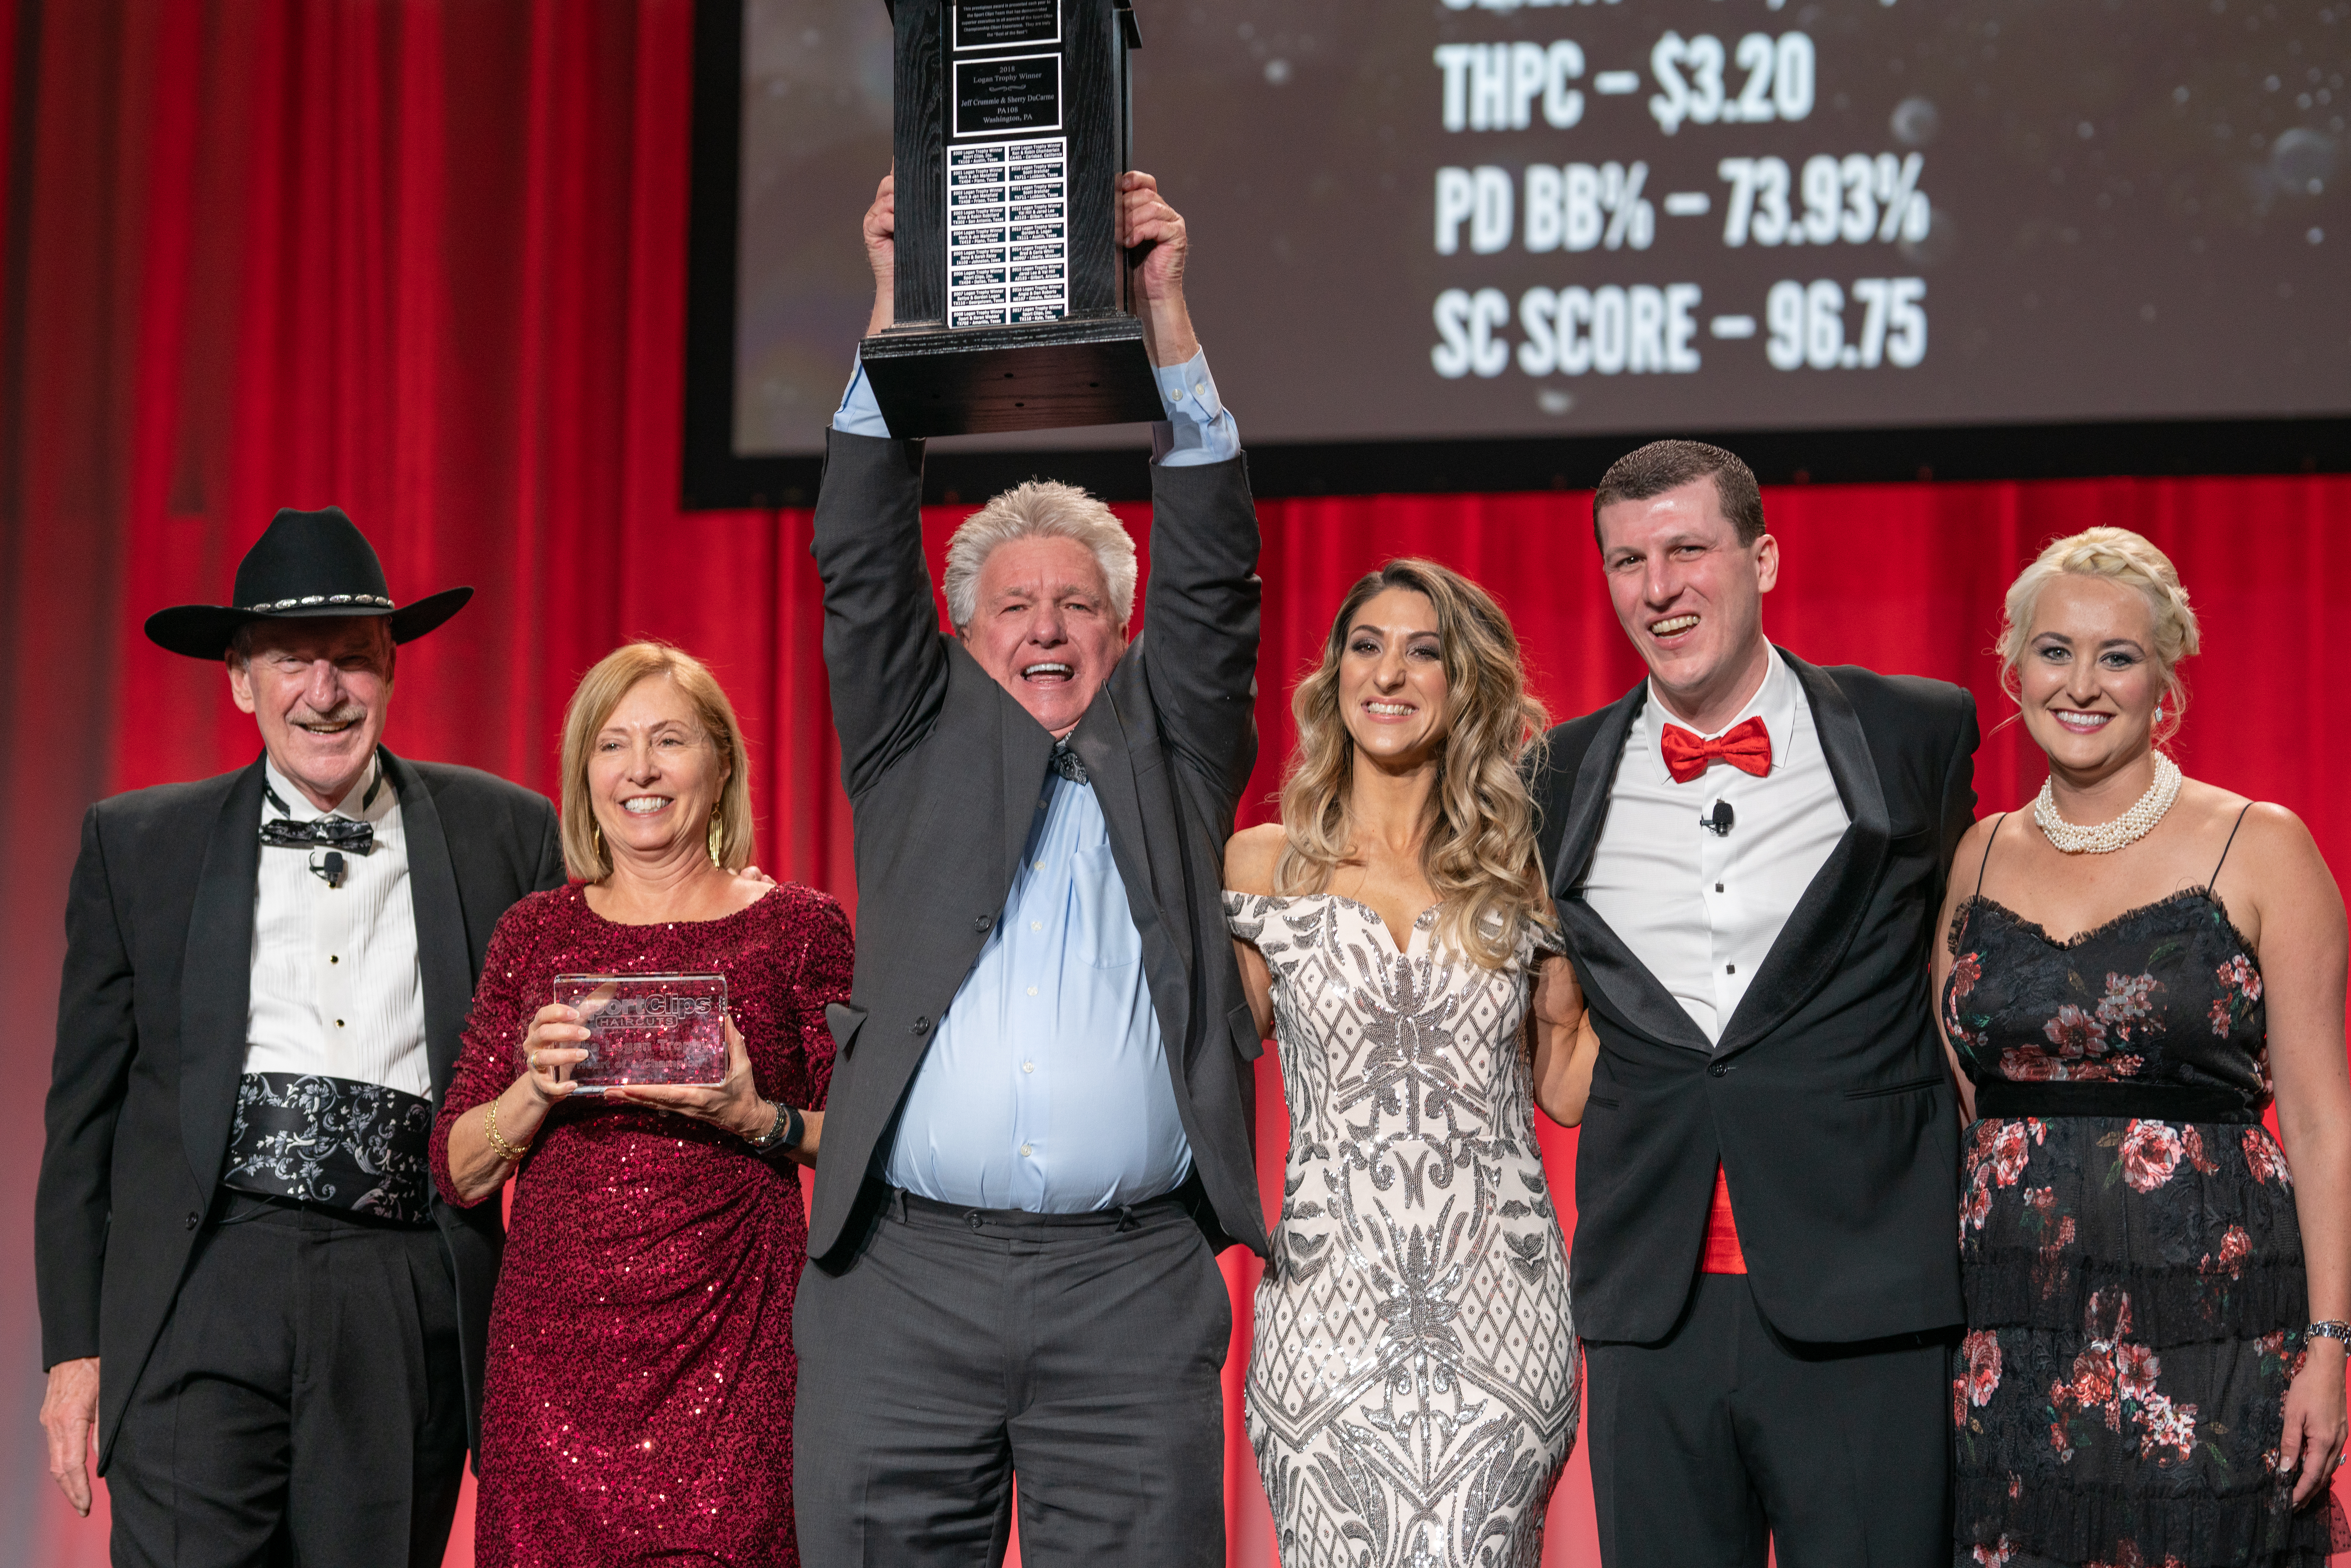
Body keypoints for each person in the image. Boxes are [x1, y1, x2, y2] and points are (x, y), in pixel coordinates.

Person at [792, 169, 1267, 1567]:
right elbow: (860, 561)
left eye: (1079, 604)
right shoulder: (909, 738)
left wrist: (1164, 310)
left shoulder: (1176, 744)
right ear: (966, 631)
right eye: (1015, 605)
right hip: (904, 1277)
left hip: (1129, 1284)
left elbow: (1216, 573)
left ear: (1122, 631)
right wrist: (894, 309)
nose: (1047, 628)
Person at [34, 508, 565, 1567]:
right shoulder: (138, 844)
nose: (324, 693)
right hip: (202, 1277)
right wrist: (74, 1351)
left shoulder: (506, 832)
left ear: (392, 671)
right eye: (293, 661)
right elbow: (80, 1123)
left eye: (352, 661)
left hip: (401, 1287)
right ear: (241, 679)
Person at [1530, 440, 1979, 1568]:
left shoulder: (1915, 734)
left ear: (1764, 557)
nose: (1660, 587)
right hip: (1652, 1307)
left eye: (1689, 549)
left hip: (1868, 1294)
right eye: (1629, 560)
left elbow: (1970, 979)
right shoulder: (1554, 774)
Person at [1937, 528, 2350, 1568]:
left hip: (2210, 1330)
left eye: (2118, 656)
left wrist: (2333, 1347)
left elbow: (2318, 1117)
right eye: (2055, 651)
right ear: (2012, 669)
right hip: (2012, 1326)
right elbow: (1958, 1099)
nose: (2083, 683)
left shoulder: (2260, 843)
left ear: (2164, 681)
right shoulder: (1975, 855)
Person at [430, 641, 849, 1567]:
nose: (642, 771)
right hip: (551, 1376)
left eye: (670, 740)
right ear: (586, 772)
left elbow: (872, 1146)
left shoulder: (797, 927)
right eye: (613, 745)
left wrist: (757, 1117)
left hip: (732, 1364)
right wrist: (530, 1092)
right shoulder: (534, 931)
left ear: (722, 761)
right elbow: (456, 1170)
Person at [1224, 559, 1590, 1567]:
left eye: (1425, 650)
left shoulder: (1524, 870)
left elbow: (1563, 1083)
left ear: (1464, 682)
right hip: (1322, 1321)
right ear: (1335, 675)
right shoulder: (1263, 864)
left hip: (1499, 1330)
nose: (1390, 672)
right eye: (1367, 645)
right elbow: (1206, 1056)